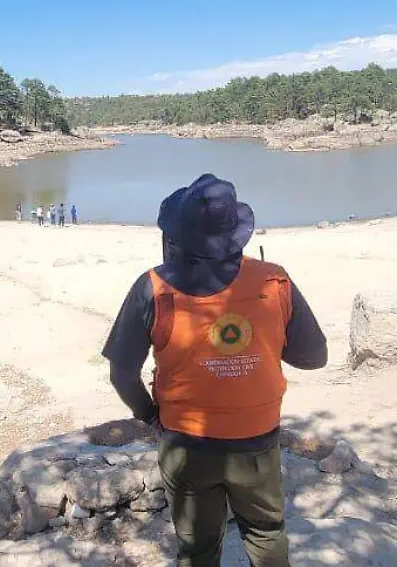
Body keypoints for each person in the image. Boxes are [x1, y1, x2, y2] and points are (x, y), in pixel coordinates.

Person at [102, 173, 327, 567]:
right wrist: (264, 338)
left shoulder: (152, 288)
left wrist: (150, 415)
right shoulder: (273, 280)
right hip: (257, 438)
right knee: (266, 533)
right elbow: (314, 356)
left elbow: (122, 373)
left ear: (175, 237)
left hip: (187, 443)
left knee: (197, 549)